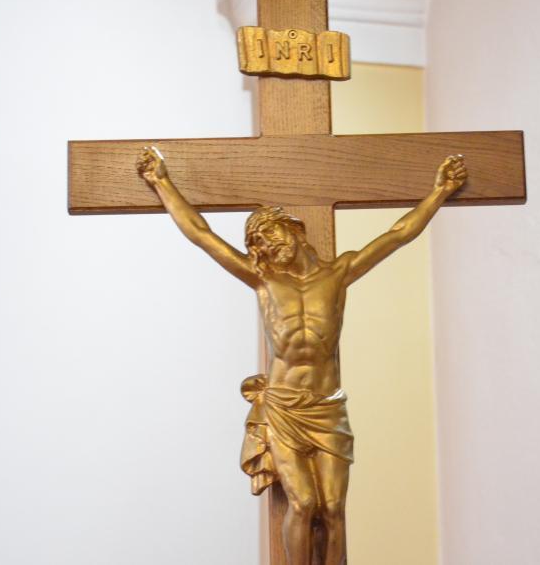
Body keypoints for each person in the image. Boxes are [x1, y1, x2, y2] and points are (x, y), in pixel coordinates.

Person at [136, 146, 467, 565]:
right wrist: (161, 181)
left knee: (334, 507)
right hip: (283, 406)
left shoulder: (339, 273)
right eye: (258, 242)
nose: (267, 245)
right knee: (304, 503)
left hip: (327, 406)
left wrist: (440, 192)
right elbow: (202, 234)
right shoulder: (263, 280)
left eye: (270, 234)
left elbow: (398, 234)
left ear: (293, 229)